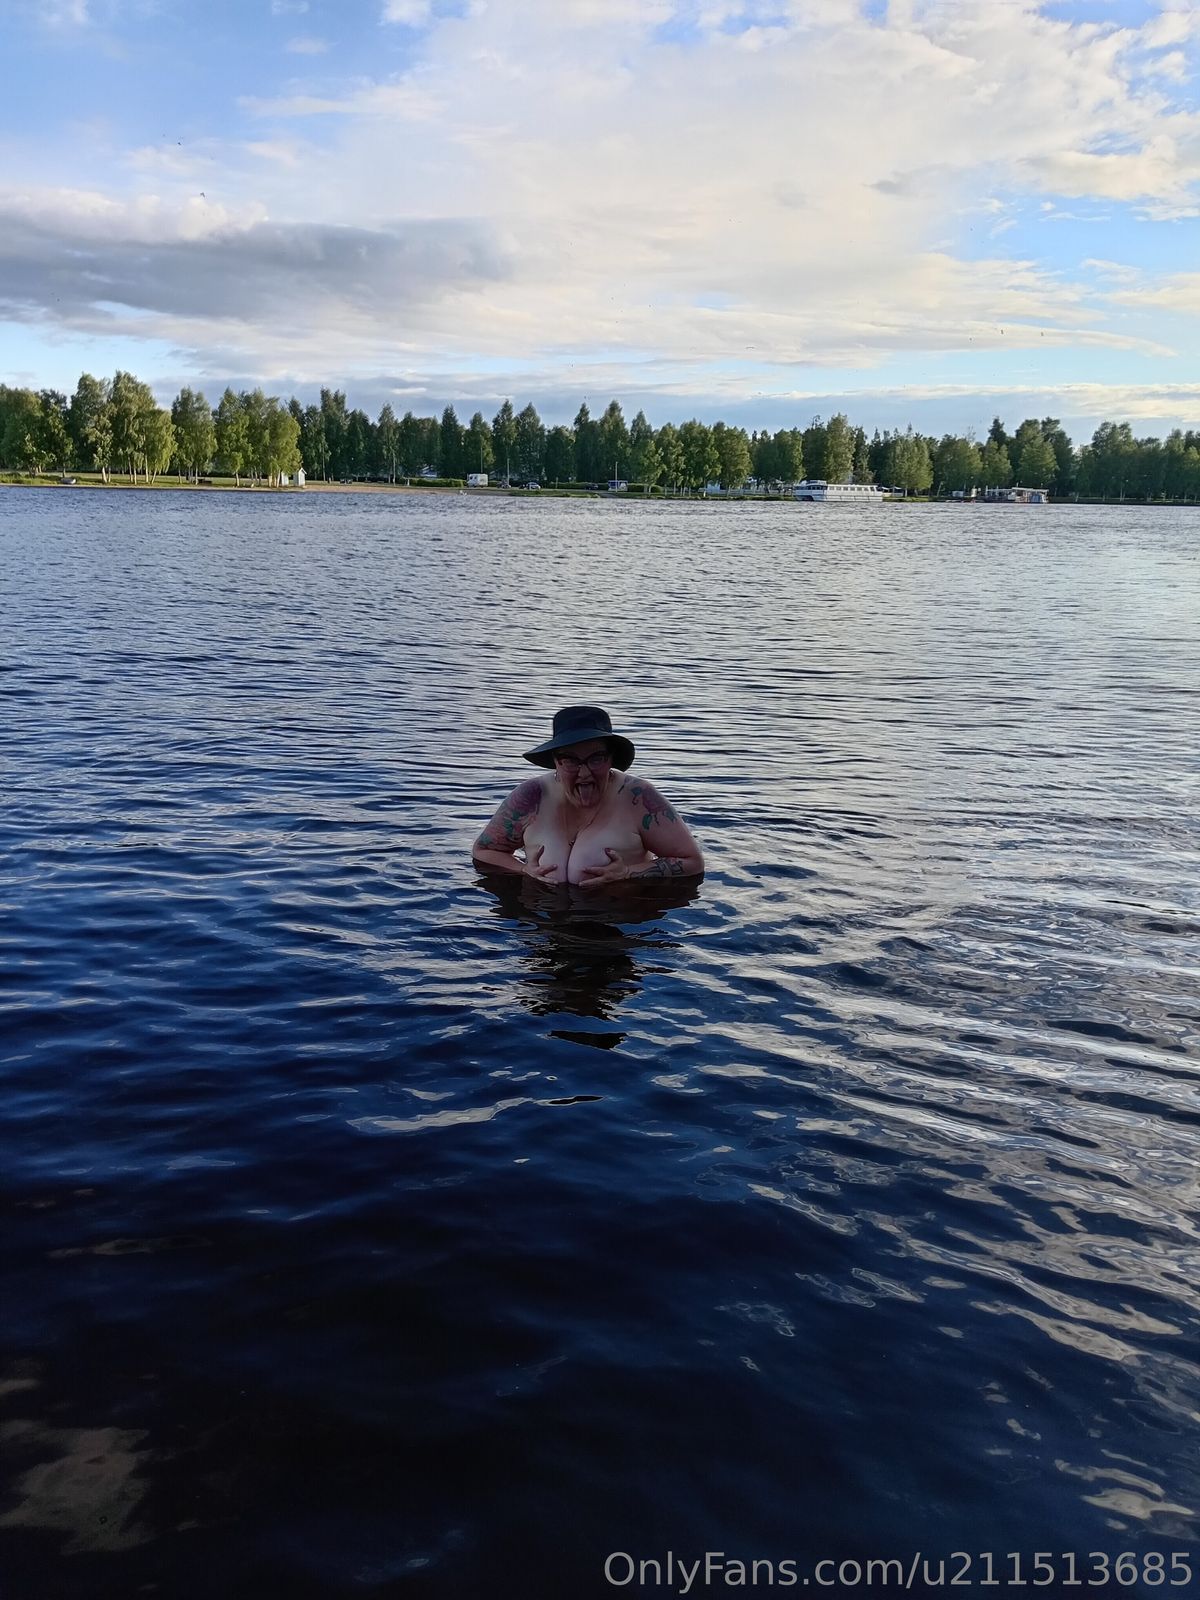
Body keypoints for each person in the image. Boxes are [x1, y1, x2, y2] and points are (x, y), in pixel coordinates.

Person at [472, 705, 704, 886]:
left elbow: (693, 862)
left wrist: (627, 873)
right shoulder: (532, 796)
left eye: (596, 759)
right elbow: (484, 851)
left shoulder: (638, 797)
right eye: (571, 760)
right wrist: (523, 869)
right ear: (556, 762)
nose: (584, 773)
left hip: (618, 920)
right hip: (543, 922)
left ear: (611, 759)